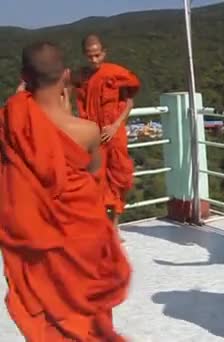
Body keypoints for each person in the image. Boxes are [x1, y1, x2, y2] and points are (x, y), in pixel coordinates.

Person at [0, 41, 131, 341]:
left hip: (35, 244)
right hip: (81, 243)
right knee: (85, 316)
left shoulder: (10, 122)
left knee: (48, 318)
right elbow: (94, 174)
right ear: (67, 76)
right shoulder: (86, 131)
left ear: (24, 77)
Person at [74, 34, 140, 231]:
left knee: (119, 177)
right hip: (92, 136)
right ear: (84, 56)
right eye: (89, 56)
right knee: (95, 179)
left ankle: (114, 225)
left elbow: (129, 102)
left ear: (104, 53)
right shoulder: (80, 76)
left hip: (114, 133)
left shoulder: (116, 73)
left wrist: (115, 125)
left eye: (97, 55)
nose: (94, 60)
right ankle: (101, 226)